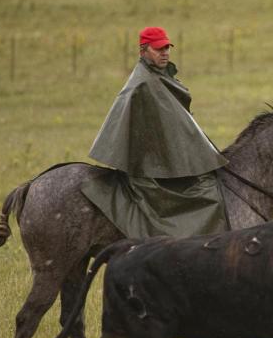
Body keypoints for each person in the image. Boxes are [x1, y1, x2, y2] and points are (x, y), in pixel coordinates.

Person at [80, 27, 231, 238]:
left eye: (167, 47)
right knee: (205, 193)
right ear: (143, 51)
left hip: (159, 160)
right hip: (147, 172)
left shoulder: (159, 77)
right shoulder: (142, 86)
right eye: (159, 49)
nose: (165, 53)